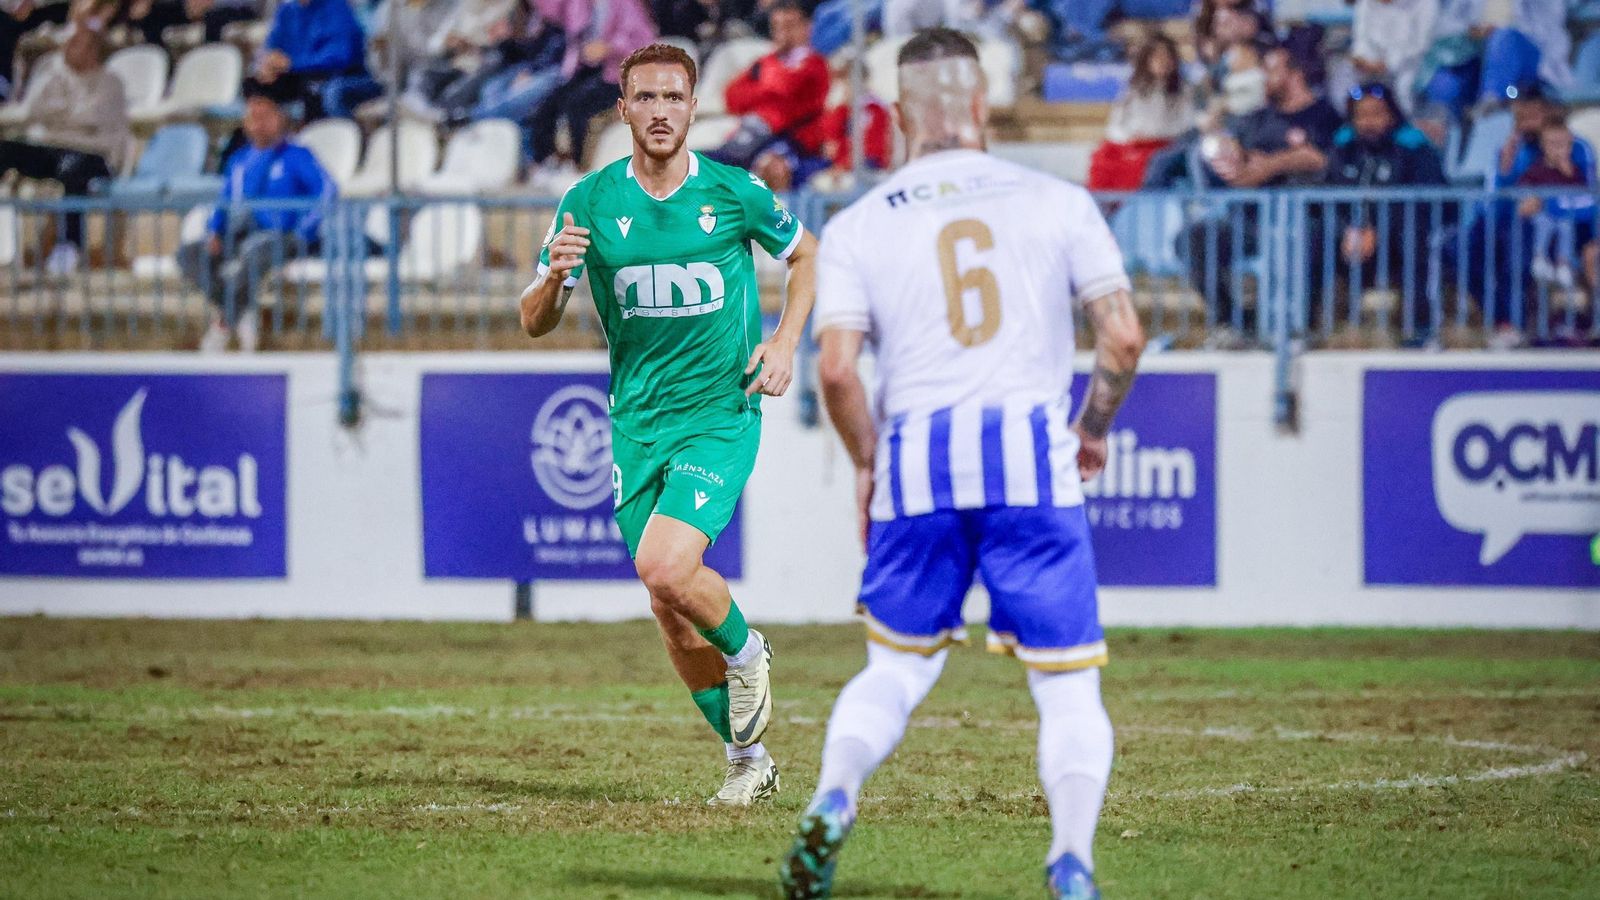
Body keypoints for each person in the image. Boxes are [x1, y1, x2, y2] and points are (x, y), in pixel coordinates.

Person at [781, 28, 1144, 900]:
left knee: (895, 670)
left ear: (900, 115)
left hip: (918, 460)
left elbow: (835, 370)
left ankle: (835, 795)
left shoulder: (860, 224)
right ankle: (1072, 861)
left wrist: (869, 463)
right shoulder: (1058, 201)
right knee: (1065, 689)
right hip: (1029, 455)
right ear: (982, 104)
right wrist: (1091, 425)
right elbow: (1123, 338)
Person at [519, 43, 818, 805]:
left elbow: (809, 256)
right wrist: (555, 275)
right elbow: (534, 321)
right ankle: (748, 762)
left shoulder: (734, 192)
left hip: (719, 414)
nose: (660, 112)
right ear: (623, 111)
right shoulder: (586, 202)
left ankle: (750, 651)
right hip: (636, 424)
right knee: (668, 608)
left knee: (664, 567)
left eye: (674, 99)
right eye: (645, 99)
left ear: (692, 108)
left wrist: (784, 342)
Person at [1178, 44, 1343, 344]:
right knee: (1194, 238)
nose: (1263, 78)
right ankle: (1231, 321)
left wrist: (1270, 164)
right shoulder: (1254, 119)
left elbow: (1318, 159)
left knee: (1309, 240)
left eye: (1271, 70)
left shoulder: (1324, 114)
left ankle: (1300, 329)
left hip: (1306, 219)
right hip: (1252, 220)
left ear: (1295, 74)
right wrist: (1224, 142)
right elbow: (1237, 171)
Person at [178, 82, 334, 353]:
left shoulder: (297, 156)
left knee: (255, 253)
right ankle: (242, 310)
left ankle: (223, 325)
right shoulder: (239, 160)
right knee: (190, 254)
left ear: (280, 119)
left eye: (265, 116)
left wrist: (303, 230)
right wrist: (215, 229)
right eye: (252, 117)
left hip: (281, 235)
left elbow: (327, 192)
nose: (258, 123)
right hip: (238, 234)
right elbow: (225, 200)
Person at [1309, 82, 1447, 336]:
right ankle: (1305, 327)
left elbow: (1432, 202)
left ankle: (1418, 328)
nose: (1368, 122)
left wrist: (1378, 230)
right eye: (1362, 115)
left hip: (1398, 240)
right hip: (1351, 241)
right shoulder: (1343, 149)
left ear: (1391, 115)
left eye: (1376, 114)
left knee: (1412, 231)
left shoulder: (1414, 148)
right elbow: (1326, 201)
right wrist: (1347, 230)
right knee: (1313, 234)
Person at [0, 27, 127, 275]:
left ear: (92, 51)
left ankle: (69, 246)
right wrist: (64, 110)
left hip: (93, 154)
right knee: (4, 150)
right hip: (52, 147)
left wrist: (57, 117)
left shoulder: (111, 84)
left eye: (74, 44)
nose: (66, 49)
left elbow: (91, 118)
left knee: (73, 169)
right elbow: (32, 111)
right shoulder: (54, 75)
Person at [522, 0, 655, 185]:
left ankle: (580, 167)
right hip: (588, 70)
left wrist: (609, 47)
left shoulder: (625, 4)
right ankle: (545, 161)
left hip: (620, 75)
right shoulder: (580, 4)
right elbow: (555, 14)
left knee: (578, 107)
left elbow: (644, 40)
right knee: (549, 103)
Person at [708, 0, 828, 170]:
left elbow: (786, 91)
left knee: (766, 167)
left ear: (806, 27)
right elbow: (732, 97)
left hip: (793, 142)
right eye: (777, 27)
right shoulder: (766, 62)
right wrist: (767, 89)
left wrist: (763, 85)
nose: (782, 33)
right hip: (753, 135)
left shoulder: (815, 64)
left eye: (789, 26)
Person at [321, 0, 458, 120]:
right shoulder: (389, 9)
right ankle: (359, 141)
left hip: (434, 75)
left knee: (418, 78)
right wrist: (381, 54)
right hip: (394, 79)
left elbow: (434, 53)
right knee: (336, 92)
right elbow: (381, 73)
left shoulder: (449, 6)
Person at [1087, 33, 1192, 190]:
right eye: (1156, 56)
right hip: (1131, 142)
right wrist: (1128, 139)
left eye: (1166, 56)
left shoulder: (1182, 90)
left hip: (1162, 144)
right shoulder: (1133, 89)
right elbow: (1116, 124)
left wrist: (1149, 136)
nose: (1162, 62)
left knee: (1144, 163)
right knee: (1102, 158)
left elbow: (1185, 124)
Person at [253, 0, 368, 120]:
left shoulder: (336, 8)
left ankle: (340, 135)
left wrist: (292, 63)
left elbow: (339, 57)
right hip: (298, 76)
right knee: (257, 85)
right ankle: (266, 135)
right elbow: (270, 49)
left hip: (343, 76)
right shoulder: (286, 11)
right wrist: (266, 65)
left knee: (328, 92)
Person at [1349, 0, 1438, 111]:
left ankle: (1404, 125)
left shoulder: (1425, 3)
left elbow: (1421, 45)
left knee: (1403, 89)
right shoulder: (1365, 3)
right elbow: (1361, 38)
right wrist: (1361, 58)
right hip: (1372, 62)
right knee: (1347, 82)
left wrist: (1387, 64)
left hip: (1413, 63)